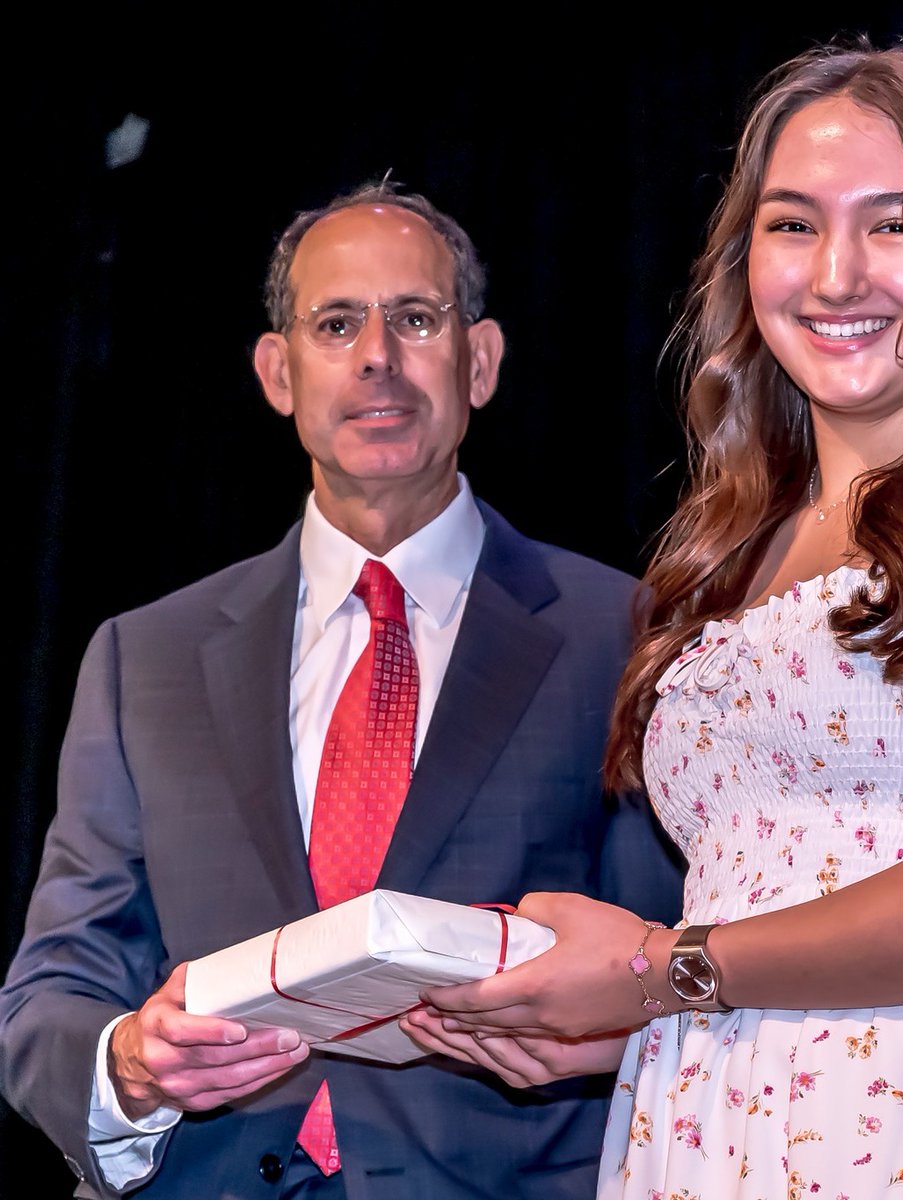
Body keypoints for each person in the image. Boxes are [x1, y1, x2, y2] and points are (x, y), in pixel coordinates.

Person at [398, 39, 903, 1199]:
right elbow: (759, 902)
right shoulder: (732, 541)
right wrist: (614, 1010)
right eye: (792, 224)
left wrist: (655, 972)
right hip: (716, 1110)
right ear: (742, 259)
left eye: (897, 224)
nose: (837, 275)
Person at [0, 180, 683, 1199]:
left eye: (415, 318)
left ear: (479, 362)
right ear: (278, 373)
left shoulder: (626, 635)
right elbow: (56, 989)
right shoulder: (144, 659)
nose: (377, 357)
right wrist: (132, 1065)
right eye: (336, 324)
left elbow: (677, 961)